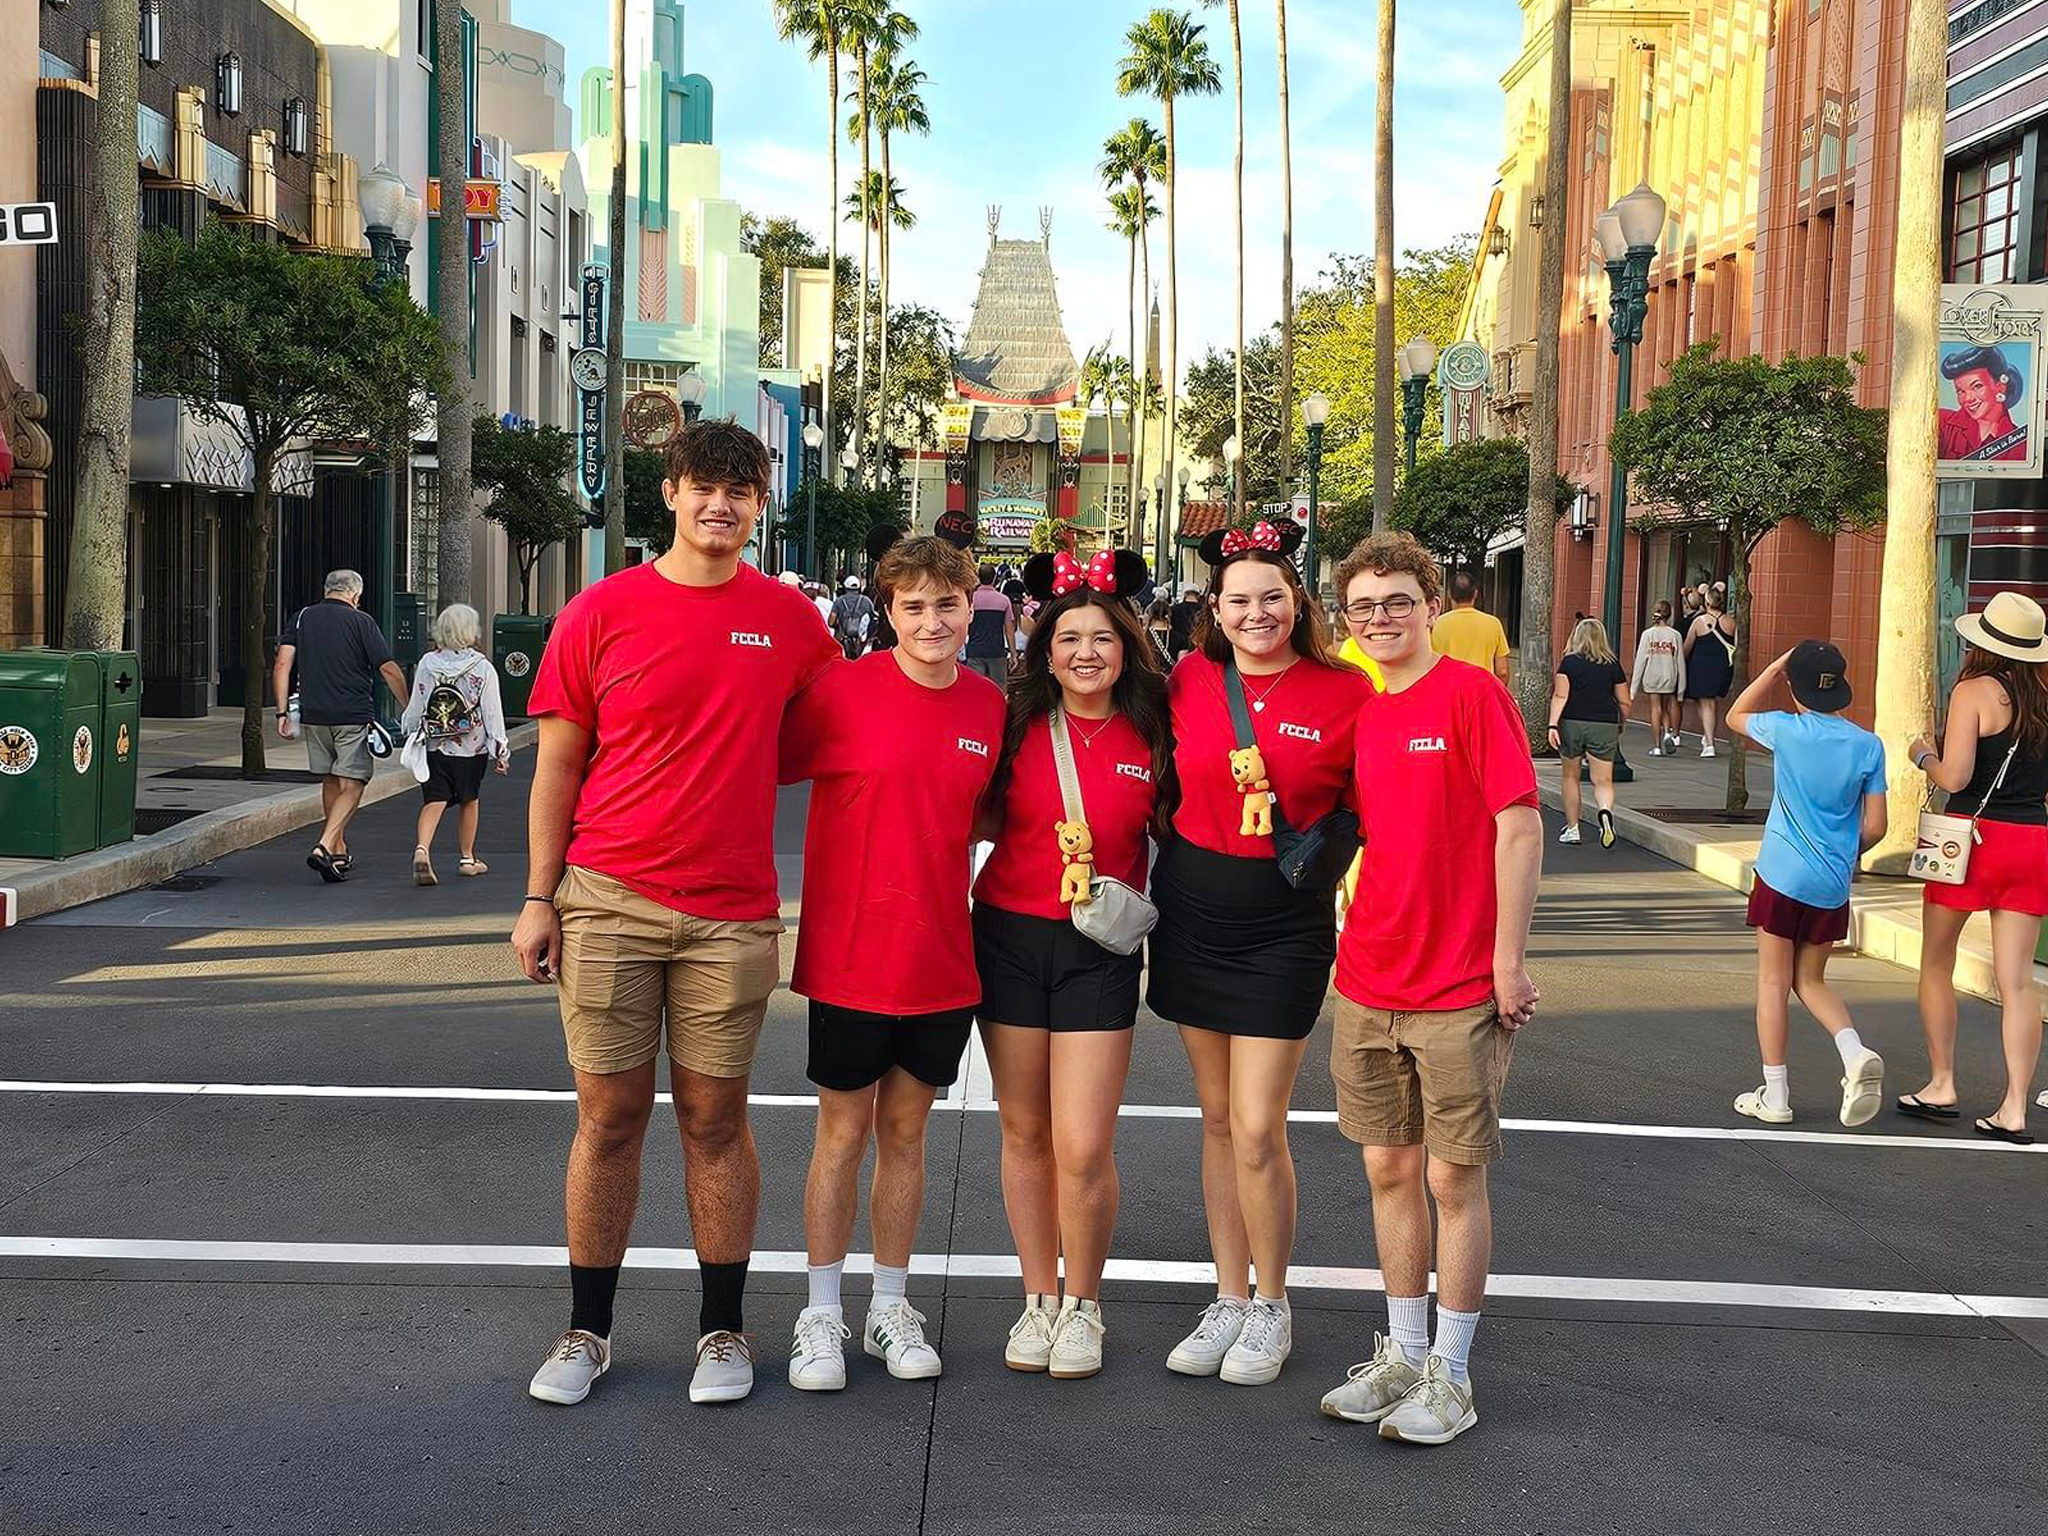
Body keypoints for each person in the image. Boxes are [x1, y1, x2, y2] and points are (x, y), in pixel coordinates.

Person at [514, 419, 840, 1408]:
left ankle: (722, 1333)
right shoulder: (598, 612)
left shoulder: (788, 621)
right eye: (705, 487)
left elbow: (832, 737)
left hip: (732, 915)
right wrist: (538, 897)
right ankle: (586, 1331)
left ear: (757, 505)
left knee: (714, 1121)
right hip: (606, 900)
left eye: (741, 493)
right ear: (671, 493)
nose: (721, 507)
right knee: (606, 1121)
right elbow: (557, 766)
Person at [1316, 531, 1541, 1448]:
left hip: (1457, 982)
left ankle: (1451, 1372)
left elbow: (1519, 827)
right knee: (1386, 1168)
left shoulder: (1471, 693)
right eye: (1364, 607)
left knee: (1454, 1176)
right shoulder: (1359, 713)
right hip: (1368, 974)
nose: (1380, 620)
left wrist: (1508, 959)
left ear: (1432, 605)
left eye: (1397, 602)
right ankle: (1405, 1351)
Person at [778, 537, 1005, 1392]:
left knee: (907, 1135)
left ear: (970, 606)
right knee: (842, 1134)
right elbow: (748, 767)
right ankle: (821, 1313)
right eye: (913, 606)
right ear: (889, 609)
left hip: (942, 957)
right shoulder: (839, 693)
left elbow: (989, 822)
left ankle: (889, 1305)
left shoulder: (989, 708)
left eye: (947, 606)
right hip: (848, 957)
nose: (932, 622)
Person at [1150, 519, 1371, 1387]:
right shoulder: (1188, 680)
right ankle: (1229, 1296)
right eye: (1238, 600)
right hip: (1192, 910)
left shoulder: (1346, 691)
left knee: (1255, 1125)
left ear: (1297, 600)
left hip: (1286, 925)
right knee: (1214, 1120)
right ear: (1215, 607)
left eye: (1271, 596)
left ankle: (1272, 1305)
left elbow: (1377, 805)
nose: (1255, 613)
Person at [973, 548, 1167, 1380]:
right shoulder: (1011, 723)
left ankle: (1084, 1304)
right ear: (1042, 648)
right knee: (1024, 1131)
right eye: (1069, 640)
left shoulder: (1156, 729)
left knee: (1083, 1145)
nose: (1086, 653)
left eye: (1102, 639)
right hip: (1010, 939)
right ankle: (1037, 1299)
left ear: (1126, 646)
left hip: (1100, 950)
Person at [1901, 591, 2048, 1144]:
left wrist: (1921, 753)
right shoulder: (2045, 697)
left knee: (1937, 963)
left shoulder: (1973, 692)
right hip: (2030, 839)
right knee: (2017, 982)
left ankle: (1942, 1084)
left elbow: (1956, 777)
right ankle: (2014, 1108)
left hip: (1967, 842)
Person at [1725, 643, 1888, 1126]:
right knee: (1811, 981)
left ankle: (1775, 1096)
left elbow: (1736, 714)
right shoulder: (1867, 745)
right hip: (1832, 883)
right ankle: (1854, 1052)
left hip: (1780, 874)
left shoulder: (1785, 729)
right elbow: (1877, 826)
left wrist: (1775, 669)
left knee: (1774, 983)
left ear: (1793, 687)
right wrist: (1843, 851)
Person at [272, 569, 408, 883]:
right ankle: (323, 845)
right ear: (356, 596)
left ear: (326, 589)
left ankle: (338, 848)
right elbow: (388, 668)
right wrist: (407, 706)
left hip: (314, 714)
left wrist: (281, 712)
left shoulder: (302, 617)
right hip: (352, 713)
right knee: (356, 781)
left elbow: (282, 663)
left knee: (331, 779)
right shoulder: (362, 622)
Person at [401, 603, 510, 885]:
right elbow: (492, 711)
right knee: (468, 799)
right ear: (470, 631)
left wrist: (409, 729)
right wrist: (500, 748)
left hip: (436, 744)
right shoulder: (482, 668)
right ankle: (467, 858)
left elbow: (418, 704)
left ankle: (422, 849)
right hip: (470, 747)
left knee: (434, 798)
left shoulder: (427, 663)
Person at [1548, 618, 1631, 849]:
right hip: (1604, 723)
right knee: (1603, 780)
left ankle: (1573, 828)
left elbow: (1560, 696)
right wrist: (1620, 722)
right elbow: (1625, 701)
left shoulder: (1569, 663)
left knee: (1570, 777)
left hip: (1572, 722)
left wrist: (1553, 725)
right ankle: (1605, 813)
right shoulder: (1612, 664)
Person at [1939, 345, 2028, 464]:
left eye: (1977, 386)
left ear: (2000, 387)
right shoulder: (1942, 423)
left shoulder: (2021, 442)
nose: (1967, 399)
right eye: (1960, 391)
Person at [1430, 571, 1511, 684]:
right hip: (1481, 692)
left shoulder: (1436, 624)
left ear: (1449, 594)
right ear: (1475, 593)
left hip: (1447, 692)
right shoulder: (1493, 624)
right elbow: (1502, 672)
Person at [1683, 590, 1737, 756]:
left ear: (1706, 603)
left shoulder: (1699, 621)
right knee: (1705, 701)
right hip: (1723, 667)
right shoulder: (1731, 621)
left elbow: (1687, 647)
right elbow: (1737, 646)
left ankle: (1710, 743)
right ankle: (1707, 737)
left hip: (1702, 667)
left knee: (1707, 703)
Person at [1631, 600, 1687, 755]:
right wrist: (1681, 689)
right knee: (1665, 707)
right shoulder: (1675, 635)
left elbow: (1640, 661)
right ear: (1669, 615)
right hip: (1669, 675)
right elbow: (1680, 662)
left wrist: (1633, 689)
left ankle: (1656, 746)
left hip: (1652, 676)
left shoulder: (1648, 635)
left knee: (1655, 709)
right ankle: (1668, 733)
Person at [964, 563, 1016, 682]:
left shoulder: (971, 600)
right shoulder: (1003, 600)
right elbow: (1009, 630)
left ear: (978, 577)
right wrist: (1013, 653)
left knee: (976, 689)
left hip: (974, 650)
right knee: (998, 690)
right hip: (997, 651)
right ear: (994, 578)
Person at [830, 576, 876, 659]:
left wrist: (837, 626)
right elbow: (874, 620)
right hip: (861, 641)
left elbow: (831, 622)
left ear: (845, 587)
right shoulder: (867, 601)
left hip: (843, 639)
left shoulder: (839, 601)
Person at [1168, 585, 1203, 662]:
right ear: (1198, 595)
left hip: (1179, 647)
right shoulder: (1204, 611)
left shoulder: (1174, 609)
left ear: (1185, 594)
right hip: (1199, 648)